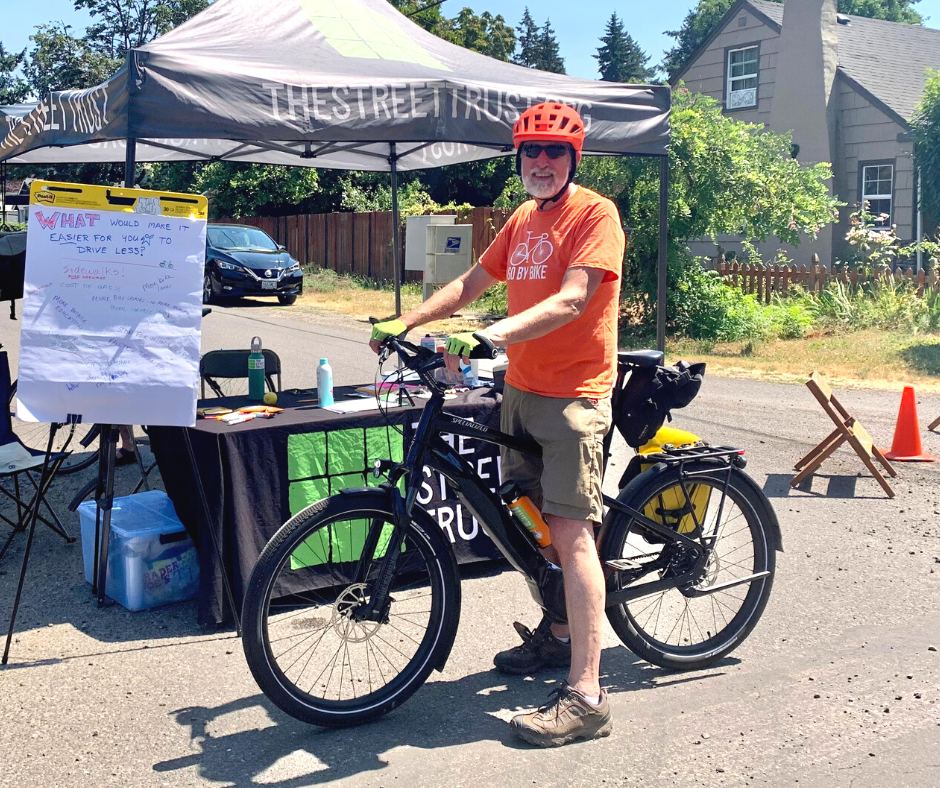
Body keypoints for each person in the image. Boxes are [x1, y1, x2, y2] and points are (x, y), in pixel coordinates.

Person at [369, 102, 624, 747]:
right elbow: (472, 281)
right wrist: (411, 321)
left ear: (573, 159)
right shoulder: (522, 217)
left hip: (574, 395)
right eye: (532, 152)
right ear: (519, 159)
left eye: (554, 153)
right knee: (532, 515)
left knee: (571, 534)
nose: (541, 162)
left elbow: (574, 298)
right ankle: (560, 631)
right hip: (522, 391)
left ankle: (587, 694)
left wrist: (489, 335)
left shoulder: (594, 215)